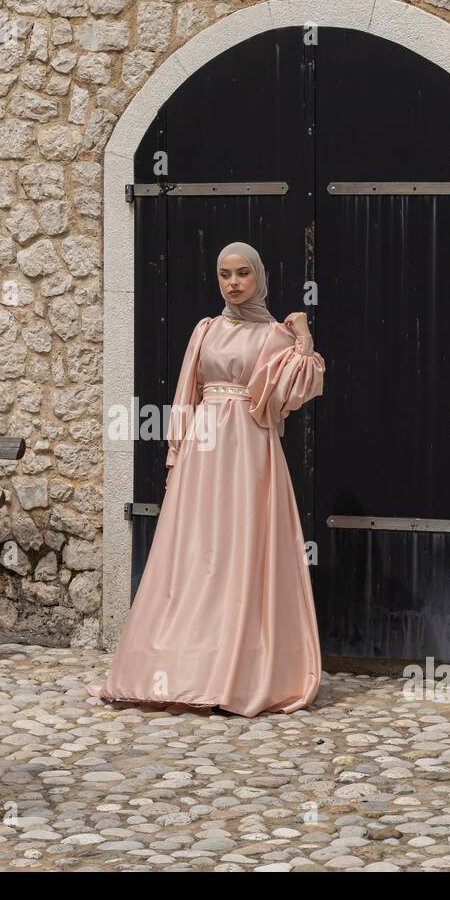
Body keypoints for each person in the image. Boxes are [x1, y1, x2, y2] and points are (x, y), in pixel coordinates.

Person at [89, 241, 326, 717]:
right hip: (204, 449)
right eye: (224, 274)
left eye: (242, 273)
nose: (234, 282)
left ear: (258, 276)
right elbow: (186, 393)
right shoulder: (206, 330)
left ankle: (235, 672)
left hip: (250, 450)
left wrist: (303, 337)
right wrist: (176, 453)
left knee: (242, 548)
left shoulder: (273, 336)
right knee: (195, 551)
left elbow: (295, 388)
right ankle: (179, 667)